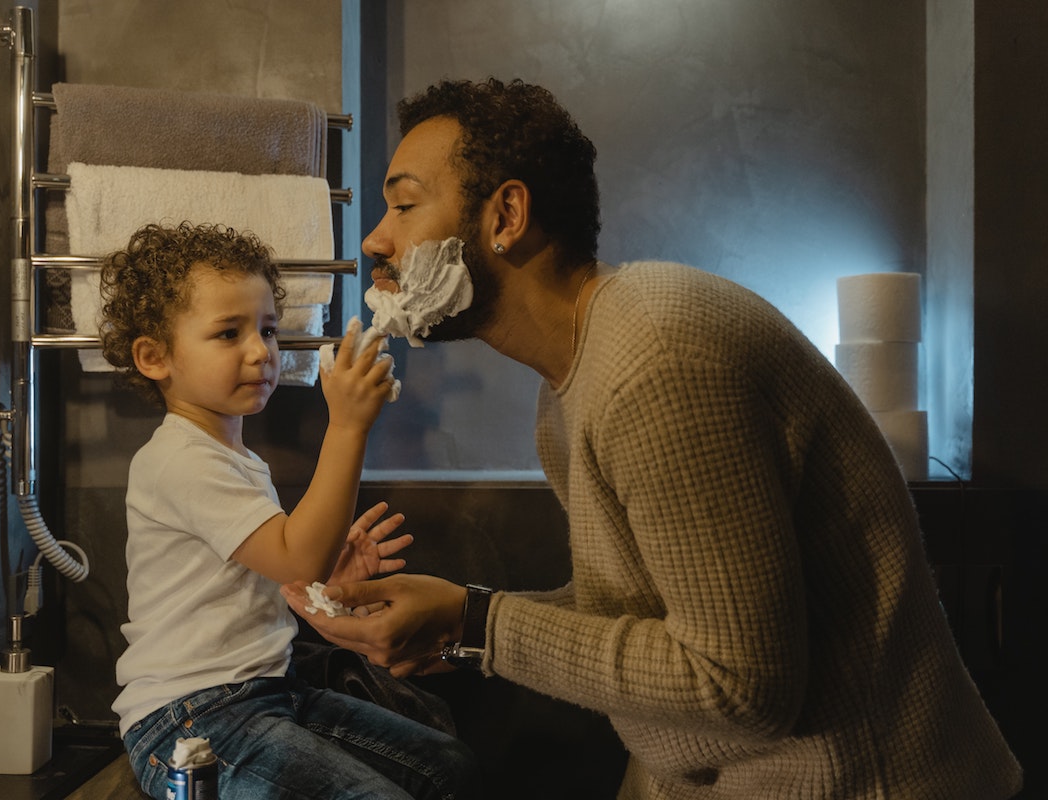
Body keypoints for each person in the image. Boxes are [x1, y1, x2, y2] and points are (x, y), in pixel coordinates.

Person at [283, 78, 1024, 798]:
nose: (377, 238)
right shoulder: (575, 375)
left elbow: (742, 685)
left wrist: (477, 624)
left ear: (506, 215)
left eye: (405, 203)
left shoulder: (656, 362)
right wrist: (457, 627)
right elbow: (644, 615)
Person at [99, 221, 480, 800]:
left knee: (447, 768)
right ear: (155, 357)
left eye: (268, 330)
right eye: (228, 334)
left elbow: (279, 569)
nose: (261, 351)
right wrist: (348, 426)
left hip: (265, 692)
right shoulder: (179, 459)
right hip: (190, 720)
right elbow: (293, 550)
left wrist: (324, 578)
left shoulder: (232, 457)